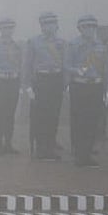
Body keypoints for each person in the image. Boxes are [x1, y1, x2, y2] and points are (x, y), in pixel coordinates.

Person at [66, 15, 108, 167]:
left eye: (92, 26)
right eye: (86, 26)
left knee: (92, 121)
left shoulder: (100, 45)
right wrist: (77, 70)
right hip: (80, 85)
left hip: (96, 85)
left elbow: (105, 67)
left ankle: (87, 152)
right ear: (80, 28)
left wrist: (107, 87)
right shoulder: (73, 44)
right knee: (80, 121)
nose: (89, 29)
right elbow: (66, 65)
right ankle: (80, 154)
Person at [24, 12, 67, 160]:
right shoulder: (34, 42)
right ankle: (42, 148)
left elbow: (65, 64)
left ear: (57, 26)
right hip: (40, 80)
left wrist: (65, 83)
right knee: (41, 115)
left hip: (56, 79)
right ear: (41, 26)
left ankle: (50, 144)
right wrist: (28, 85)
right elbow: (27, 65)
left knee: (54, 115)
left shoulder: (62, 43)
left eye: (52, 23)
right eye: (46, 24)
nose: (49, 27)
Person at [0, 18, 24, 154]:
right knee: (0, 112)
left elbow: (21, 65)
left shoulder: (18, 45)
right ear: (0, 29)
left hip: (13, 81)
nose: (8, 30)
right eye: (5, 28)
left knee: (10, 113)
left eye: (11, 28)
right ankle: (0, 143)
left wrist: (21, 85)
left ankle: (8, 142)